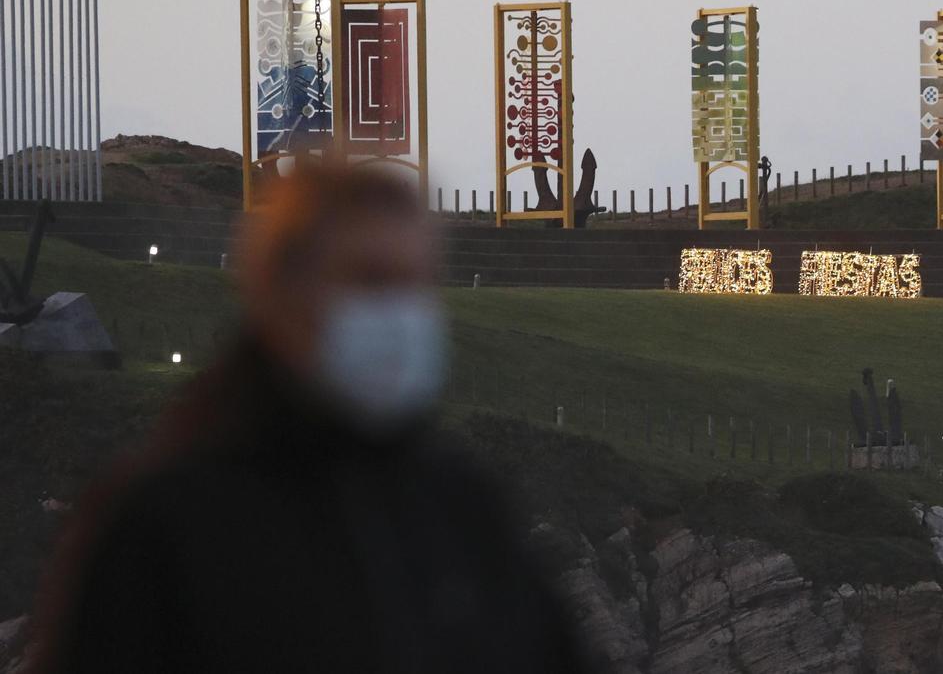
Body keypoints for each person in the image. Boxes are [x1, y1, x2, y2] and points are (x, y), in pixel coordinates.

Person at [27, 163, 590, 673]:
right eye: (370, 279)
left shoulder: (464, 510)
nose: (400, 313)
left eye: (415, 283)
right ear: (282, 292)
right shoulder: (162, 529)